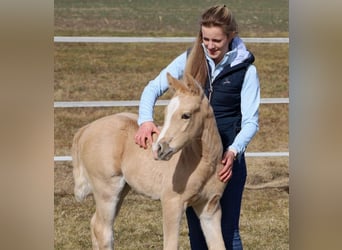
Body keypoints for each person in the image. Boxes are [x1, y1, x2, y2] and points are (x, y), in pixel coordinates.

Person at [134, 4, 260, 250]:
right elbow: (153, 88)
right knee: (197, 236)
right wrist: (145, 120)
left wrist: (234, 151)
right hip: (192, 161)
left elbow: (250, 121)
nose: (210, 46)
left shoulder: (246, 70)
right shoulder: (190, 57)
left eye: (217, 40)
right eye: (205, 39)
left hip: (227, 160)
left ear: (231, 35)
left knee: (228, 232)